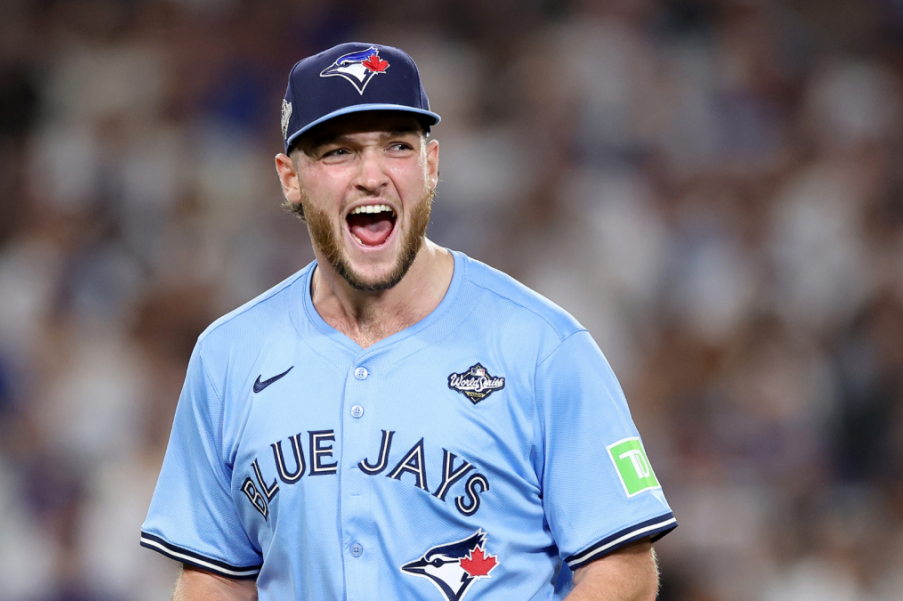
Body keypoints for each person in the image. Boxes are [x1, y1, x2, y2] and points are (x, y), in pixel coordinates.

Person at [140, 42, 676, 601]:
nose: (371, 175)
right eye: (338, 152)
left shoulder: (542, 346)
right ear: (290, 178)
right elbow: (214, 577)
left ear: (431, 164)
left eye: (397, 146)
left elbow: (623, 570)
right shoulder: (229, 355)